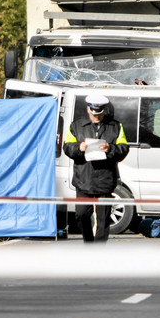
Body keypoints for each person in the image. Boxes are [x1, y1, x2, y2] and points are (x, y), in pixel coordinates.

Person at [61, 94, 130, 243]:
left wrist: (110, 148)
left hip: (105, 179)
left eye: (99, 113)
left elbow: (124, 148)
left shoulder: (116, 126)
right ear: (88, 109)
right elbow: (67, 147)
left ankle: (98, 251)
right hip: (83, 179)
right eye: (93, 113)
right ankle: (88, 241)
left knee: (103, 220)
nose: (96, 116)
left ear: (104, 110)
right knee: (81, 215)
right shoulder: (76, 126)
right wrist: (78, 148)